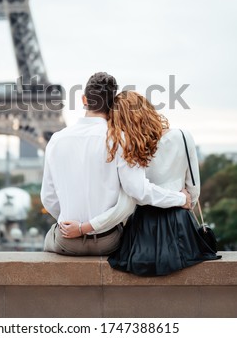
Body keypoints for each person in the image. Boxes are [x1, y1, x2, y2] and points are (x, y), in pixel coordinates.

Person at [61, 90, 221, 274]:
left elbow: (129, 200)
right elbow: (193, 193)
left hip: (142, 231)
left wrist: (84, 228)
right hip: (180, 227)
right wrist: (182, 198)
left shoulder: (127, 148)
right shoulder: (183, 137)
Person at [40, 73, 191, 256]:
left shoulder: (56, 140)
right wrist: (181, 198)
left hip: (68, 241)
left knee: (49, 237)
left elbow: (48, 198)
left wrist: (70, 224)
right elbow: (139, 191)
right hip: (108, 241)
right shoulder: (121, 140)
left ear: (84, 99)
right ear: (112, 105)